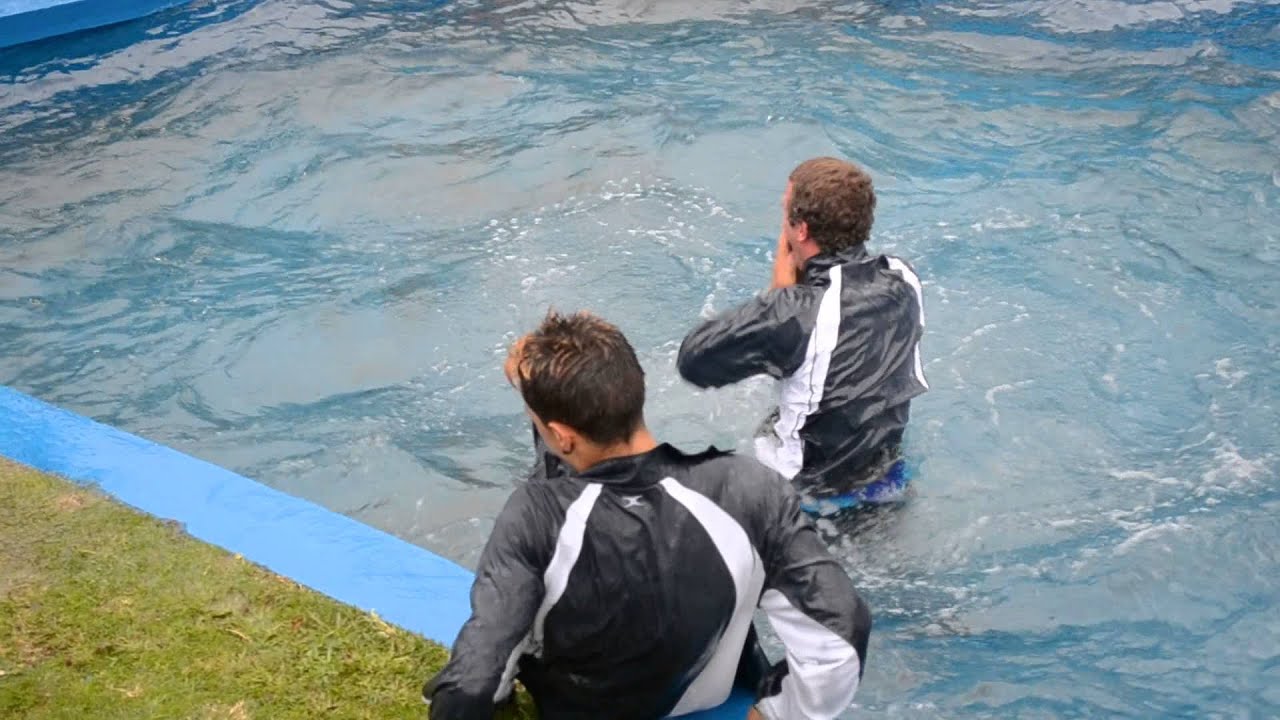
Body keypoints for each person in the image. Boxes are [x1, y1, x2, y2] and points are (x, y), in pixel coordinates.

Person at [423, 310, 872, 720]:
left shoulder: (537, 514)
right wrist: (779, 713)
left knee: (524, 575)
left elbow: (473, 681)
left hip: (579, 705)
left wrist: (487, 697)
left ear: (561, 435)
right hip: (704, 692)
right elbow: (841, 629)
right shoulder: (749, 489)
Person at [676, 157, 928, 515]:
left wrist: (777, 299)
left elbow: (694, 359)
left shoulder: (794, 312)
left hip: (804, 502)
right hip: (886, 483)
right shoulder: (903, 278)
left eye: (785, 213)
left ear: (802, 231)